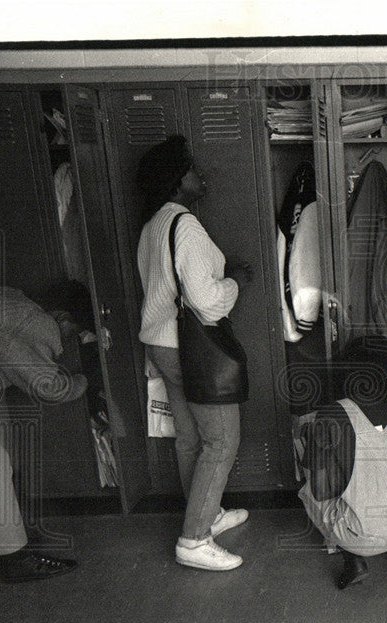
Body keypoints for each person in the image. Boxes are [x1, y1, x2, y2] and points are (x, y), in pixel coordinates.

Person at [136, 135, 255, 572]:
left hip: (162, 344)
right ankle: (194, 539)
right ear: (176, 181)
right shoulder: (183, 224)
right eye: (191, 169)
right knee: (221, 441)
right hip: (191, 349)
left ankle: (207, 514)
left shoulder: (152, 226)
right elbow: (206, 302)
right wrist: (236, 281)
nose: (199, 175)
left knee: (190, 438)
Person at [296, 340, 387, 590]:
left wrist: (314, 446)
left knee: (310, 487)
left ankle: (353, 560)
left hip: (358, 537)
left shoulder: (331, 414)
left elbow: (322, 491)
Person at [0, 284, 86, 582]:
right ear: (65, 319)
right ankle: (14, 559)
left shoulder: (10, 300)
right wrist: (87, 379)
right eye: (76, 332)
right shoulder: (35, 323)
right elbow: (50, 387)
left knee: (2, 457)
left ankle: (5, 535)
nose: (72, 339)